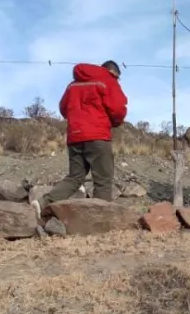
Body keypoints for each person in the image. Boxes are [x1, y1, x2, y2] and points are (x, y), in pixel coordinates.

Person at [32, 60, 128, 220]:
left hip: (75, 137)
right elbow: (118, 108)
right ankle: (100, 220)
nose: (117, 81)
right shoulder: (108, 80)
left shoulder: (73, 85)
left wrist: (77, 120)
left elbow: (63, 107)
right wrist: (114, 122)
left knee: (75, 177)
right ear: (112, 71)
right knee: (103, 179)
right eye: (117, 77)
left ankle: (42, 203)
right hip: (98, 135)